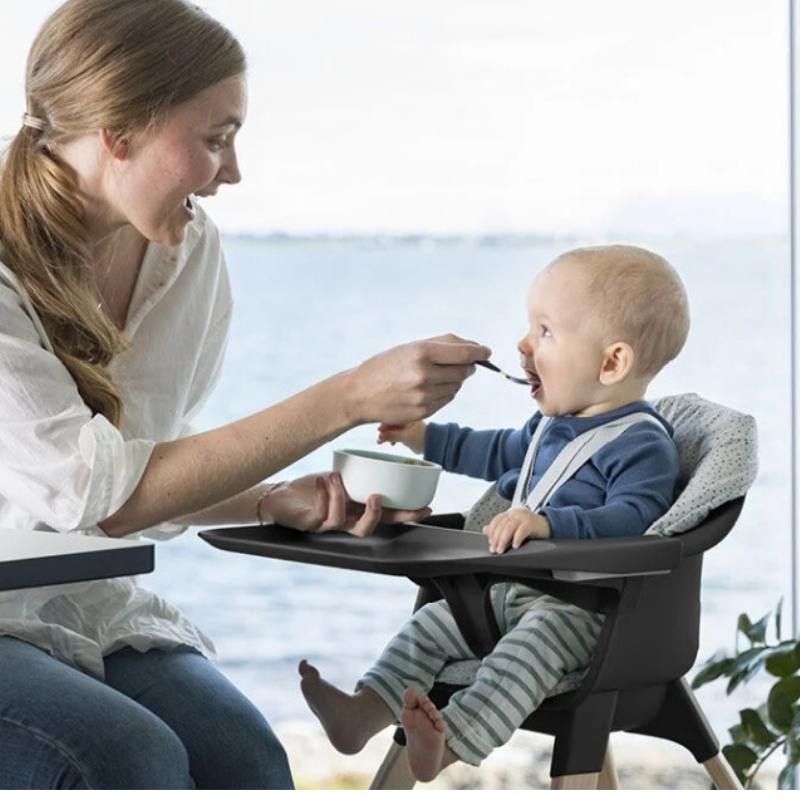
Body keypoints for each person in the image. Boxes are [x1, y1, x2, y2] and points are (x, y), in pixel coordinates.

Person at [0, 0, 491, 790]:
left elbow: (141, 472)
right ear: (117, 131)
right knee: (126, 757)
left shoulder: (187, 256)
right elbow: (91, 491)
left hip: (80, 605)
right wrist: (351, 396)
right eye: (214, 139)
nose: (233, 172)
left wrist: (265, 501)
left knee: (246, 756)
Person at [299, 244, 691, 781]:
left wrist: (549, 525)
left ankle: (452, 743)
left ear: (612, 363)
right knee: (433, 623)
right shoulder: (550, 427)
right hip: (513, 593)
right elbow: (495, 451)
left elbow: (634, 518)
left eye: (546, 332)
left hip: (587, 612)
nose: (523, 344)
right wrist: (424, 438)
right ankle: (361, 713)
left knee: (531, 647)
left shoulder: (641, 444)